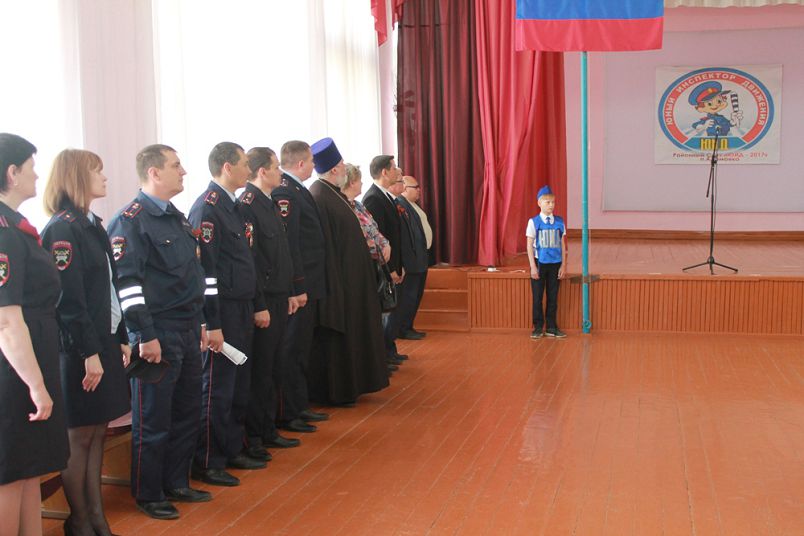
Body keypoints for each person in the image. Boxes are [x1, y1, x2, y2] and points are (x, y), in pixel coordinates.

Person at [106, 144, 210, 520]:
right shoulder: (130, 221)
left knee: (188, 411)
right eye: (175, 165)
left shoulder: (176, 218)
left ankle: (176, 482)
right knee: (153, 417)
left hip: (187, 327)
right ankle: (149, 493)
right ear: (154, 173)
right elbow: (127, 285)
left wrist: (201, 321)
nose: (183, 171)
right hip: (157, 332)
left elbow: (192, 276)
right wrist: (143, 334)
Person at [41, 149, 131, 536]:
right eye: (97, 171)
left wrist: (121, 336)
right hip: (80, 349)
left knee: (97, 433)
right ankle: (79, 520)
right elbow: (69, 301)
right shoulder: (63, 229)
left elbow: (109, 288)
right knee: (79, 436)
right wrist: (89, 352)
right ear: (77, 177)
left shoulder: (91, 224)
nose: (104, 177)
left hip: (102, 341)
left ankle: (96, 517)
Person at [0, 133, 69, 536]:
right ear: (12, 173)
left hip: (31, 357)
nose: (38, 175)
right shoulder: (5, 232)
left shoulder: (16, 227)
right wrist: (36, 385)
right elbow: (6, 322)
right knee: (10, 473)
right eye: (31, 167)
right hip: (15, 370)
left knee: (29, 470)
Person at [190, 142, 265, 487]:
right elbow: (206, 273)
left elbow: (247, 261)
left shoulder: (234, 207)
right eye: (244, 163)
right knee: (218, 388)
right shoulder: (208, 209)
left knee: (239, 385)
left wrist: (256, 303)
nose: (249, 170)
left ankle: (233, 448)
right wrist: (213, 322)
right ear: (227, 167)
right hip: (222, 311)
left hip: (241, 306)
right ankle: (209, 460)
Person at [307, 138, 389, 405]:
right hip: (339, 284)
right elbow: (326, 248)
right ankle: (338, 392)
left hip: (352, 281)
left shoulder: (333, 195)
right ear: (334, 169)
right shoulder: (320, 196)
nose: (345, 168)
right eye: (342, 164)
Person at [239, 147, 300, 458]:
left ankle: (268, 428)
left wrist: (289, 291)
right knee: (261, 370)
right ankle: (254, 437)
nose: (280, 172)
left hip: (278, 296)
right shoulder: (248, 206)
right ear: (262, 171)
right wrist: (260, 303)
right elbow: (252, 261)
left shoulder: (270, 203)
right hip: (263, 299)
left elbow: (281, 254)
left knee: (275, 367)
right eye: (276, 167)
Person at [272, 141, 329, 433]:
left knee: (302, 349)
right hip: (299, 285)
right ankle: (288, 411)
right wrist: (297, 287)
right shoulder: (285, 193)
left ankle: (299, 404)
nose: (313, 167)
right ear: (301, 163)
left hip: (310, 283)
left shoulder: (297, 189)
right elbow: (290, 244)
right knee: (291, 349)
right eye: (311, 161)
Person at [362, 155, 406, 367]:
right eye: (394, 167)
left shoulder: (386, 196)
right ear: (384, 172)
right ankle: (383, 355)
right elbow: (379, 240)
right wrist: (390, 268)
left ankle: (390, 349)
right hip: (385, 266)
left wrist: (400, 265)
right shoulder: (373, 198)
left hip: (394, 264)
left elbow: (395, 237)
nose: (397, 171)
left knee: (392, 313)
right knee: (385, 315)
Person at [525, 185, 567, 339]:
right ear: (539, 203)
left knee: (553, 297)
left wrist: (563, 265)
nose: (551, 205)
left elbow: (562, 245)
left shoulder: (559, 222)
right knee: (537, 297)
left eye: (553, 202)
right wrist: (532, 266)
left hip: (555, 263)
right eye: (547, 202)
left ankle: (551, 327)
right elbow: (529, 245)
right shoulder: (534, 222)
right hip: (540, 263)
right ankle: (537, 327)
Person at [395, 175, 430, 342]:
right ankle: (404, 329)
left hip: (420, 259)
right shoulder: (400, 205)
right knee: (408, 297)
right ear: (404, 188)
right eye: (415, 187)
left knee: (415, 296)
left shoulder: (413, 206)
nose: (419, 190)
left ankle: (408, 326)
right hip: (411, 262)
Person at [340, 164, 390, 263]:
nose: (362, 183)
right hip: (362, 262)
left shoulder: (358, 205)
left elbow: (374, 229)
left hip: (375, 261)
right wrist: (380, 251)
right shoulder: (344, 208)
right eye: (360, 180)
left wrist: (386, 244)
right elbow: (363, 239)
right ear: (352, 183)